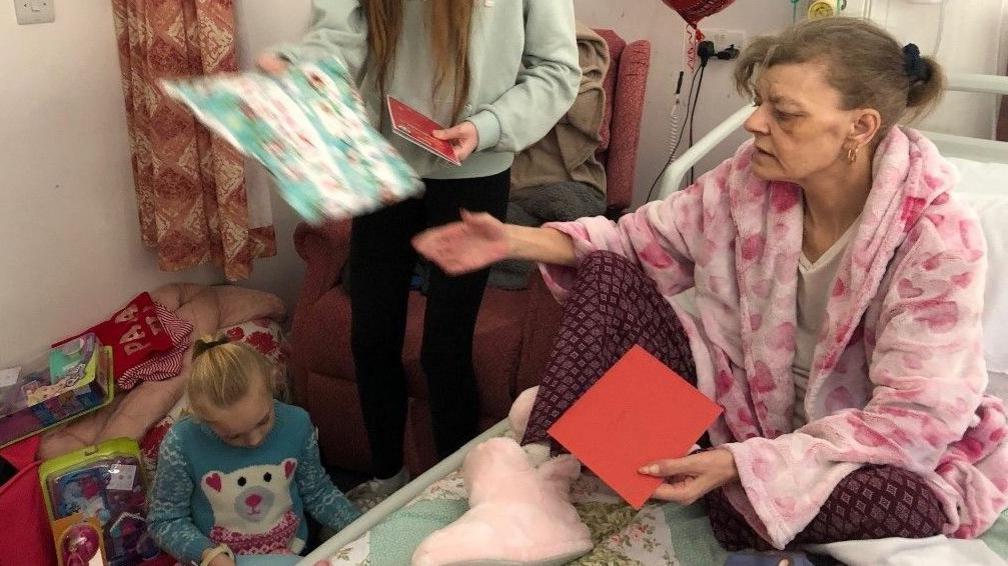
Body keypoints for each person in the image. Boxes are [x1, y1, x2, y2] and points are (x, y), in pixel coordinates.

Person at [414, 17, 1008, 550]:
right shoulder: (748, 182)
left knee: (911, 504)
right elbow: (633, 241)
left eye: (785, 112)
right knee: (606, 271)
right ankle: (536, 487)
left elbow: (915, 418)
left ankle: (633, 448)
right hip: (737, 405)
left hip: (851, 446)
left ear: (860, 126)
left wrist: (740, 466)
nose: (755, 124)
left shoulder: (935, 239)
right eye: (758, 103)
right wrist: (510, 240)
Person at [258, 0, 580, 506]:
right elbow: (339, 34)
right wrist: (299, 66)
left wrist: (488, 127)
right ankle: (387, 475)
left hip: (474, 169)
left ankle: (454, 490)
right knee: (370, 336)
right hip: (383, 161)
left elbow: (558, 70)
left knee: (445, 348)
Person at [148, 337, 360, 566]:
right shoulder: (181, 443)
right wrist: (209, 554)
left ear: (272, 384)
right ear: (202, 419)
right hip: (220, 558)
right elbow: (165, 520)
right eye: (233, 435)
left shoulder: (297, 423)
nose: (255, 440)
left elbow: (318, 492)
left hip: (292, 552)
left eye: (263, 421)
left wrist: (363, 526)